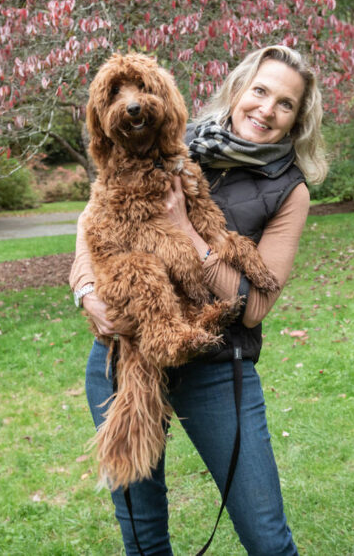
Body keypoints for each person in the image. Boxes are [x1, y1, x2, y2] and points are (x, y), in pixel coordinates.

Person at [69, 45, 327, 555]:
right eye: (260, 91)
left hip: (216, 365)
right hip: (125, 358)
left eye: (285, 104)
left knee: (266, 536)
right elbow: (91, 221)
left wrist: (186, 230)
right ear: (237, 91)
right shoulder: (165, 137)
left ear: (297, 120)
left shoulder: (288, 189)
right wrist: (87, 293)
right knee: (142, 534)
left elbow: (254, 307)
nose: (266, 109)